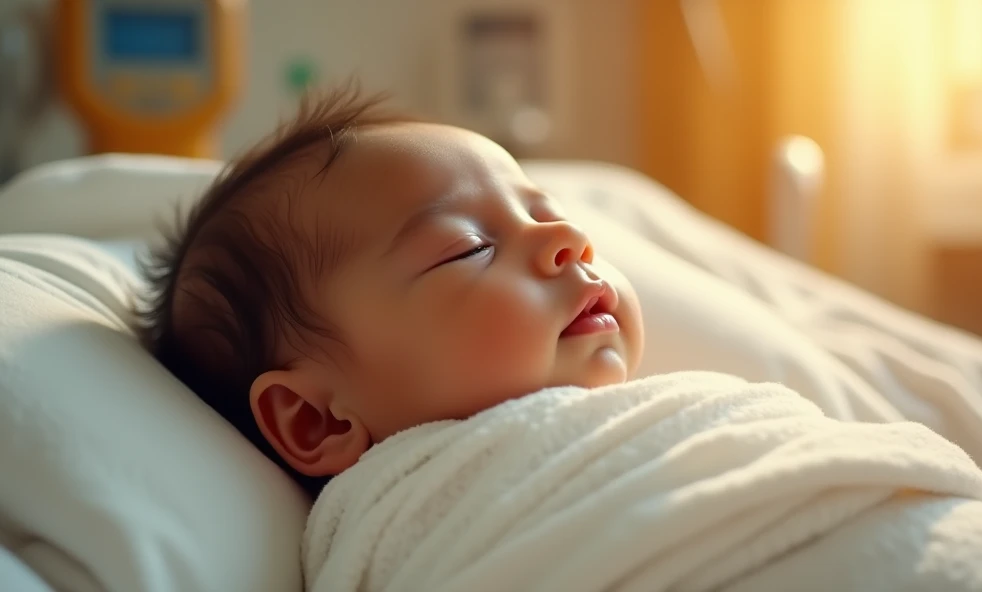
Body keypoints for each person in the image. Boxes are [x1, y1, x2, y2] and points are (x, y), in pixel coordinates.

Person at [134, 83, 645, 495]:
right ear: (316, 421)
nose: (571, 240)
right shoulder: (424, 515)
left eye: (548, 214)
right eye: (468, 248)